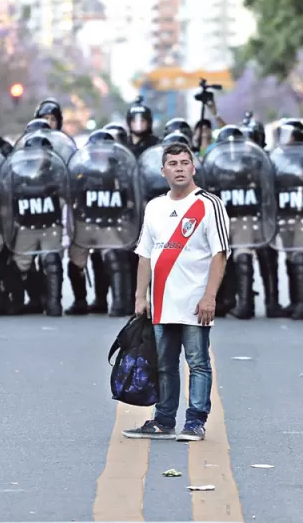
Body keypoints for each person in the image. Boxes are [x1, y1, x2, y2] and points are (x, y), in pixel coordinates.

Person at [123, 142, 230, 442]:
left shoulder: (208, 205)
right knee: (165, 365)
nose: (180, 168)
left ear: (193, 168)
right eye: (173, 163)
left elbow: (219, 254)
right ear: (163, 170)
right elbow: (145, 254)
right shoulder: (155, 206)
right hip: (162, 302)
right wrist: (139, 297)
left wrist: (210, 296)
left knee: (197, 363)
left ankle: (195, 421)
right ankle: (164, 419)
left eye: (185, 162)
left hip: (195, 302)